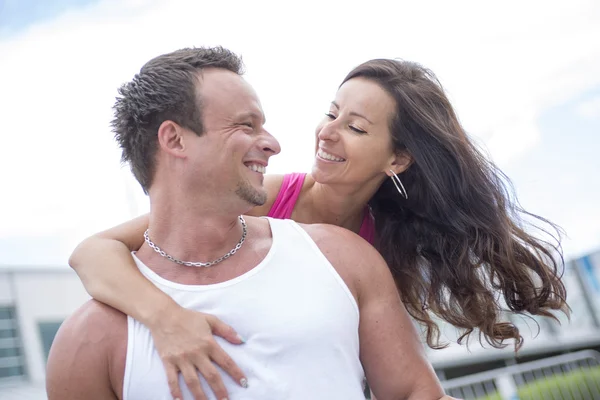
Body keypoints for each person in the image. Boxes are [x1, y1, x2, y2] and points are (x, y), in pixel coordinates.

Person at [68, 50, 568, 398]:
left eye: (354, 127)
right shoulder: (265, 197)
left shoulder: (374, 247)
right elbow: (93, 250)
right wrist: (165, 318)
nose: (326, 133)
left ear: (396, 160)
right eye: (332, 113)